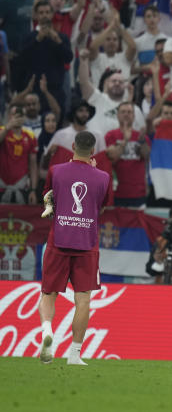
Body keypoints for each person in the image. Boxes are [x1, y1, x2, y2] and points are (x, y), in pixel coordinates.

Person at [37, 131, 111, 366]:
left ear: (72, 147)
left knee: (49, 293)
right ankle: (75, 355)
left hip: (58, 239)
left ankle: (47, 330)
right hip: (87, 244)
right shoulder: (103, 177)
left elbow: (48, 197)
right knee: (83, 300)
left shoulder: (56, 171)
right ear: (93, 151)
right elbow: (102, 206)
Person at [103, 102, 149, 208]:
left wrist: (142, 141)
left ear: (133, 116)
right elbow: (112, 159)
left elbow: (146, 156)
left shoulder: (141, 136)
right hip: (117, 191)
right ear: (118, 115)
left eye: (129, 112)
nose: (126, 114)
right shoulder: (110, 135)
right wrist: (125, 140)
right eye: (123, 112)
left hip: (138, 192)